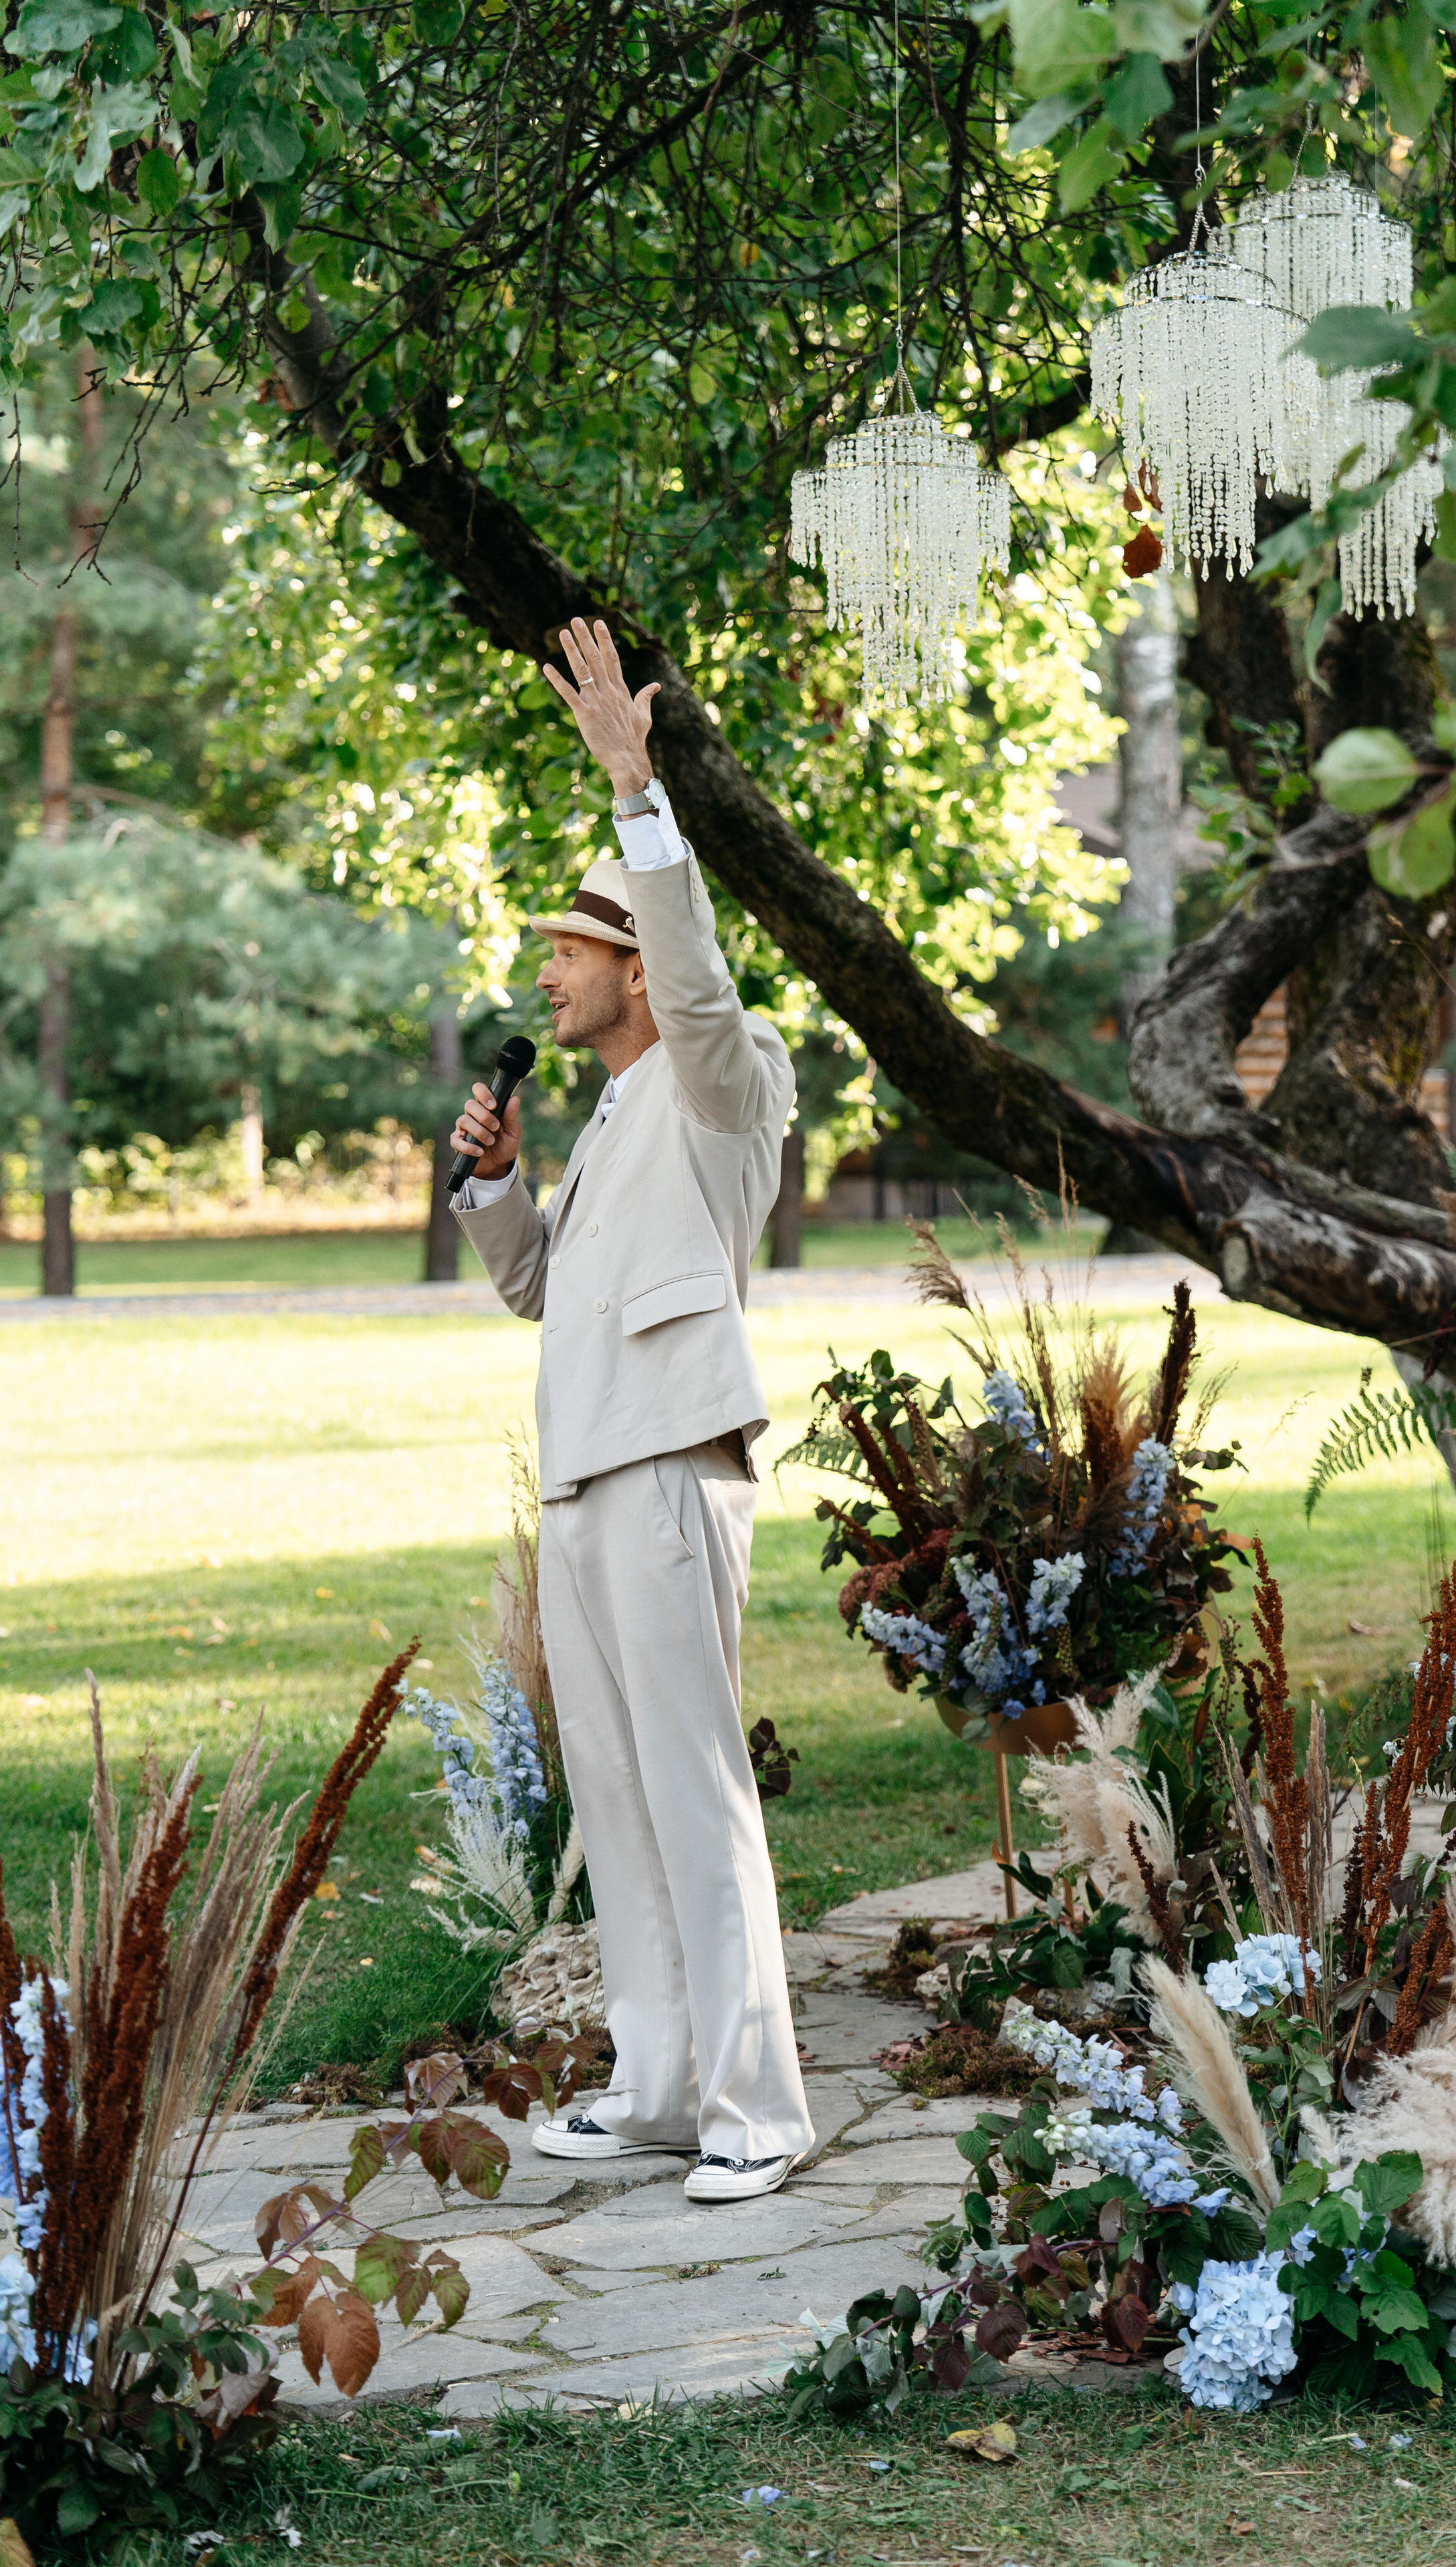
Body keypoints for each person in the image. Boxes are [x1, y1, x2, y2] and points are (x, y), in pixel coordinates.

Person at [448, 618, 813, 2205]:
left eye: (565, 954)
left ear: (631, 969)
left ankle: (757, 2108)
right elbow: (535, 1290)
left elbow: (700, 976)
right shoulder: (606, 1116)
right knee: (614, 1796)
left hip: (670, 1464)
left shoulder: (731, 1073)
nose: (544, 972)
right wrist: (494, 1189)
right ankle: (659, 2082)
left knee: (690, 1783)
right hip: (585, 1482)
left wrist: (629, 785)